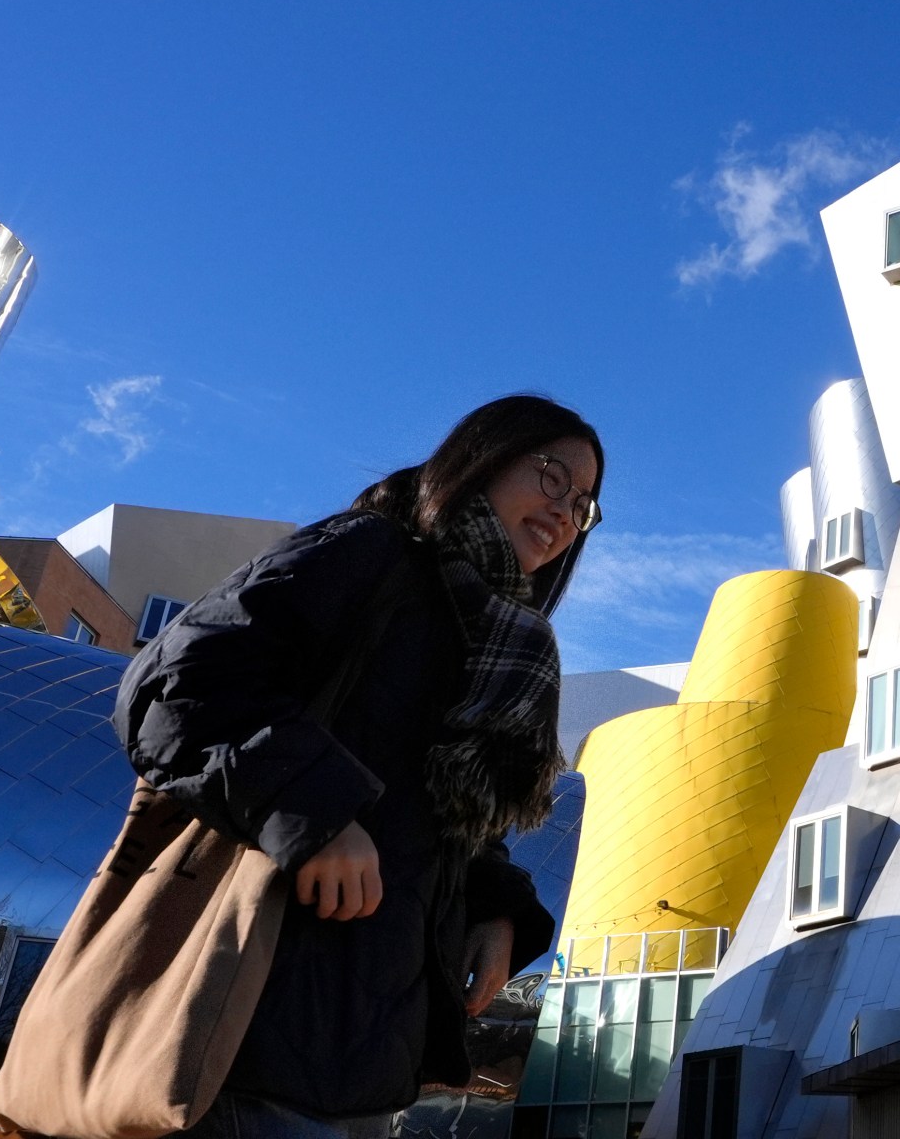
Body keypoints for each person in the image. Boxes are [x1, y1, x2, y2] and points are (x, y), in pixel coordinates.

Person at [114, 395, 605, 1138]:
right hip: (247, 1021)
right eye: (551, 476)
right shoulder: (371, 555)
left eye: (584, 504)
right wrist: (316, 812)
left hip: (370, 1059)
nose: (566, 511)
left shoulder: (495, 637)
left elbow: (435, 809)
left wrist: (494, 906)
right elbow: (173, 685)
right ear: (484, 458)